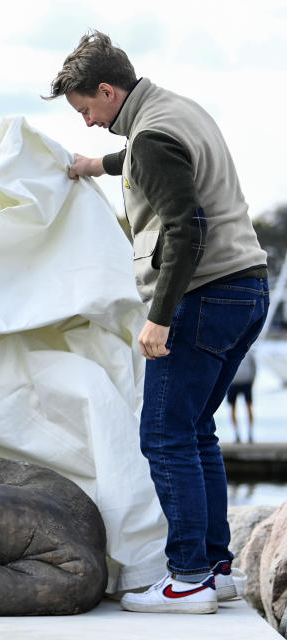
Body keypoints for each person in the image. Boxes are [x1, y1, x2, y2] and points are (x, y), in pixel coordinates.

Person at [46, 31, 268, 614]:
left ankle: (188, 578)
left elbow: (185, 227)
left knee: (164, 436)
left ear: (106, 89)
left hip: (201, 298)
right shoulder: (175, 110)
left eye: (87, 110)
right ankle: (216, 569)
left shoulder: (151, 136)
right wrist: (97, 166)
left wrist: (160, 319)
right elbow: (153, 162)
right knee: (197, 433)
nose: (88, 122)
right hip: (247, 289)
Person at [226, 350, 257, 444]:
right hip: (232, 384)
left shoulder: (249, 351)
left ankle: (250, 434)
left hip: (246, 383)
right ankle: (237, 435)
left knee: (249, 408)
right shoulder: (229, 350)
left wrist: (251, 381)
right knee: (232, 409)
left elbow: (254, 368)